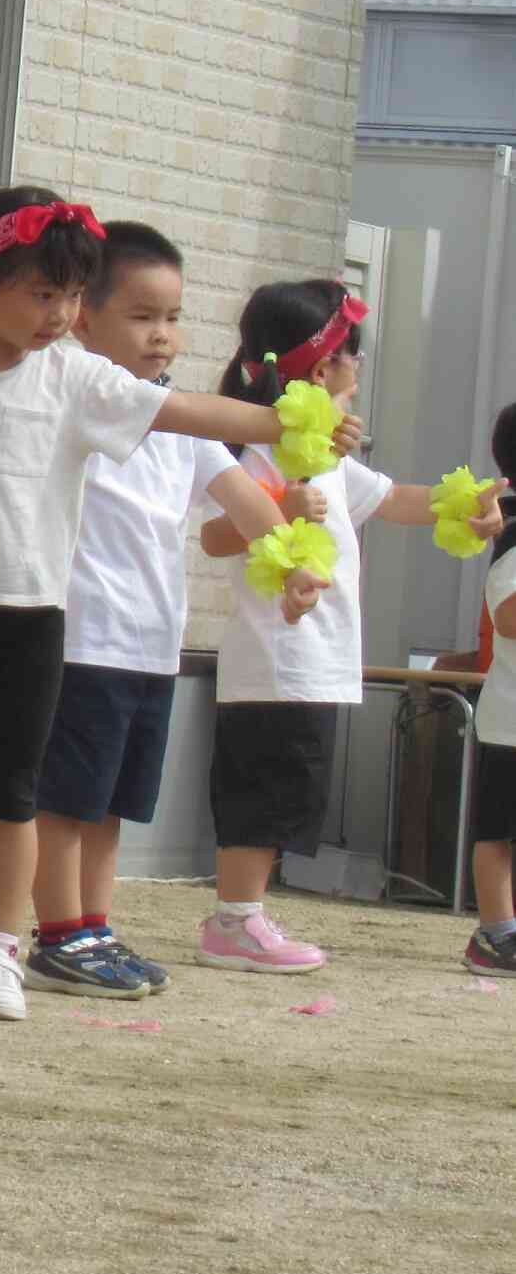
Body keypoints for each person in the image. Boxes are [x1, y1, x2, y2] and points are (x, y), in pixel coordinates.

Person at [0, 189, 344, 1022]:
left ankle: (4, 951)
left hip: (32, 615)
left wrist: (287, 422)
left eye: (73, 296)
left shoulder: (77, 376)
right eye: (43, 294)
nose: (60, 314)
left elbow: (189, 412)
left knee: (14, 796)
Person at [28, 223, 316, 1001]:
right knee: (65, 801)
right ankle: (56, 933)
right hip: (83, 636)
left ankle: (94, 925)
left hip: (152, 645)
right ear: (83, 315)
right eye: (143, 315)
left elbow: (243, 498)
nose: (164, 336)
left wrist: (293, 564)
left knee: (112, 804)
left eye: (174, 316)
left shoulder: (178, 420)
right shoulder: (73, 395)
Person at [191, 279, 500, 973]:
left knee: (293, 789)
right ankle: (234, 918)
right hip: (274, 655)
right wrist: (278, 499)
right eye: (351, 353)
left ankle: (246, 912)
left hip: (316, 658)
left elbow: (395, 498)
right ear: (322, 368)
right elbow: (214, 537)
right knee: (263, 786)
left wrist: (465, 500)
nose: (358, 369)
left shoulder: (327, 459)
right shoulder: (261, 448)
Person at [457, 403, 516, 973]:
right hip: (511, 721)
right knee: (498, 830)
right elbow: (509, 617)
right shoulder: (514, 532)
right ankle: (496, 934)